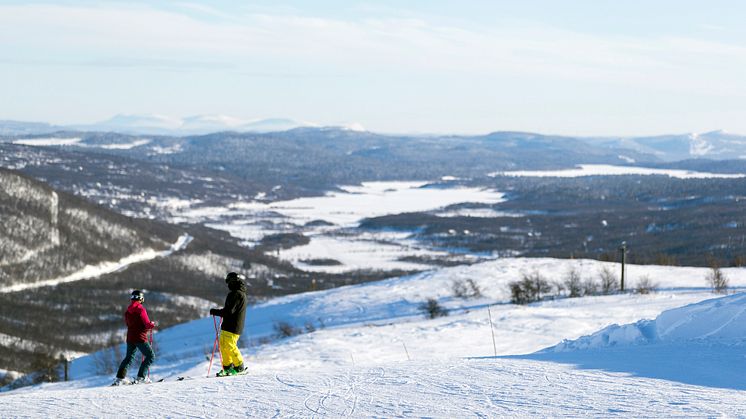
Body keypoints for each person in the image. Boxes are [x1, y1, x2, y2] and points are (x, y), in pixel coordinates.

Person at [113, 290, 156, 385]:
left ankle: (120, 378)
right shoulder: (141, 310)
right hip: (140, 337)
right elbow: (147, 324)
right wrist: (152, 324)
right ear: (141, 299)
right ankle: (141, 377)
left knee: (128, 358)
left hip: (130, 337)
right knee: (150, 356)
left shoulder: (128, 311)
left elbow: (128, 324)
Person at [210, 272, 248, 376]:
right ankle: (228, 367)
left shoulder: (236, 294)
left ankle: (239, 367)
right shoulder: (238, 293)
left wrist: (216, 312)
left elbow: (229, 311)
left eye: (228, 282)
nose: (228, 285)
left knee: (230, 345)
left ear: (233, 281)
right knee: (223, 345)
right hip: (228, 325)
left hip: (233, 326)